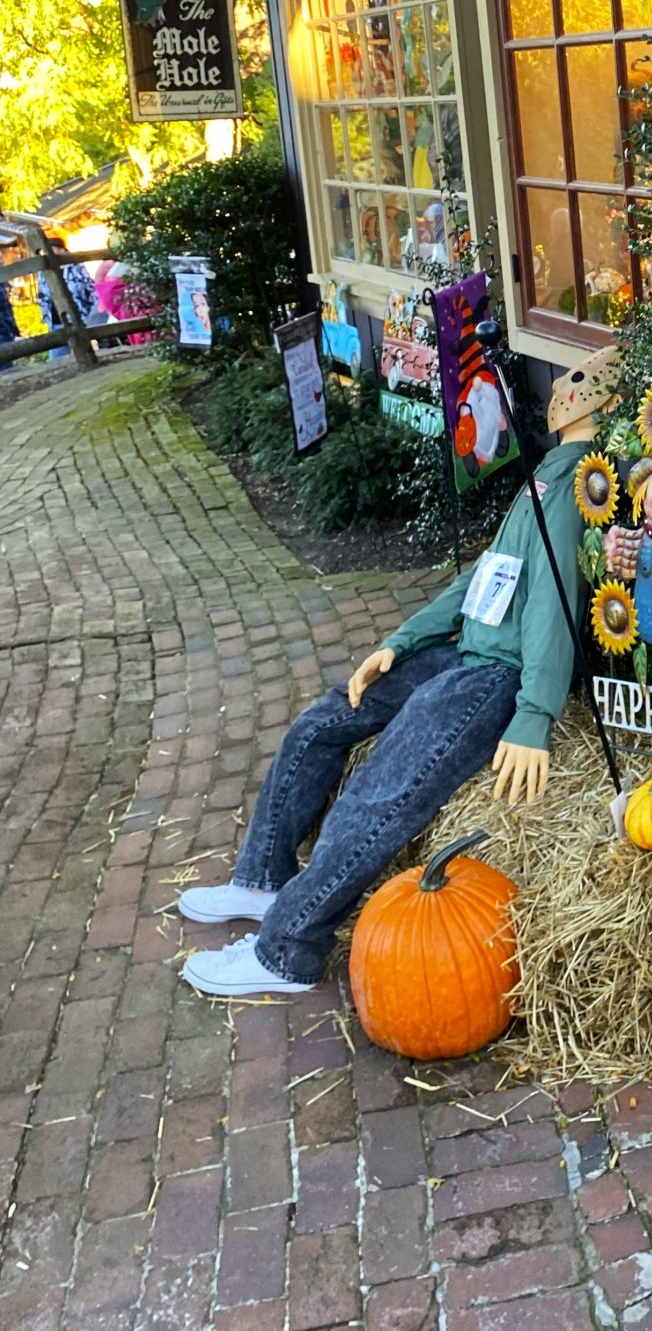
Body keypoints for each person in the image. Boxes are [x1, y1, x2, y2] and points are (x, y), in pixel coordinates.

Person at [178, 346, 619, 998]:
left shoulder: (579, 480)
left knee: (382, 789)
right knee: (324, 722)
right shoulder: (546, 474)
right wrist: (403, 640)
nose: (564, 390)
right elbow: (487, 572)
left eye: (584, 383)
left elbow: (557, 597)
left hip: (491, 676)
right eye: (566, 378)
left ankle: (288, 949)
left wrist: (533, 714)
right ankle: (261, 879)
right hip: (462, 647)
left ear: (609, 404)